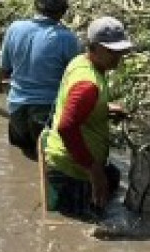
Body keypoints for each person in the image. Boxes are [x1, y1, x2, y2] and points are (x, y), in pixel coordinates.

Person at [42, 16, 133, 218]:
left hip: (73, 162)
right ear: (94, 47)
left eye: (120, 51)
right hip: (71, 170)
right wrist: (94, 171)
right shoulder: (88, 84)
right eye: (111, 51)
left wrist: (104, 108)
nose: (117, 56)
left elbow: (73, 106)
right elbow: (67, 127)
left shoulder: (81, 61)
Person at [0, 0, 82, 159]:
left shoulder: (14, 29)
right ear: (63, 10)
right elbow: (78, 82)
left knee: (20, 160)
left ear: (36, 4)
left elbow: (4, 73)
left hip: (16, 111)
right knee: (47, 165)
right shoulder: (67, 39)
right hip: (47, 113)